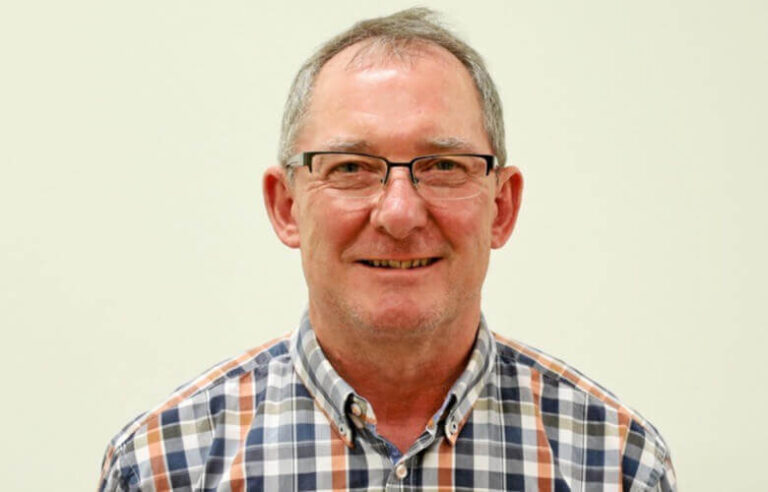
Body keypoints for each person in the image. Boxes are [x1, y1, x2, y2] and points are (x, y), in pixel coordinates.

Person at [98, 8, 675, 491]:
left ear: (501, 207)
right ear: (286, 205)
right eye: (351, 167)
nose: (399, 213)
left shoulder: (616, 464)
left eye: (444, 166)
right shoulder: (162, 468)